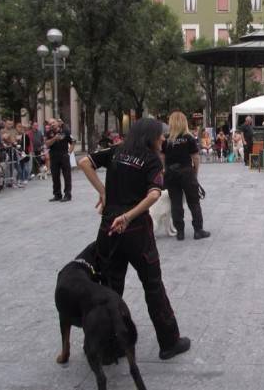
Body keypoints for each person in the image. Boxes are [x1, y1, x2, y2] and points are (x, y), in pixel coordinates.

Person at [78, 118, 191, 361]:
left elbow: (84, 162)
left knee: (109, 287)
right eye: (160, 135)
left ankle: (106, 348)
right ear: (150, 136)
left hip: (108, 228)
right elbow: (154, 194)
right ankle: (169, 342)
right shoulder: (151, 160)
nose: (163, 139)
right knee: (153, 285)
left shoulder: (117, 151)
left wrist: (103, 192)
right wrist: (128, 216)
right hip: (136, 231)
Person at [162, 111, 210, 241]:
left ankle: (180, 232)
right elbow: (195, 157)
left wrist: (164, 171)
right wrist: (195, 173)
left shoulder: (166, 139)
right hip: (186, 172)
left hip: (171, 174)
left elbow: (162, 157)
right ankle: (198, 230)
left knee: (176, 203)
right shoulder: (188, 138)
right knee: (193, 201)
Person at [45, 118, 75, 202]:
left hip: (64, 155)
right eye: (50, 124)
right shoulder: (49, 133)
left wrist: (69, 153)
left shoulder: (65, 131)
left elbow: (73, 142)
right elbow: (47, 144)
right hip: (54, 156)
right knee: (55, 176)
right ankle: (57, 194)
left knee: (67, 176)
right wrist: (54, 138)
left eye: (53, 122)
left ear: (57, 123)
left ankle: (67, 194)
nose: (52, 124)